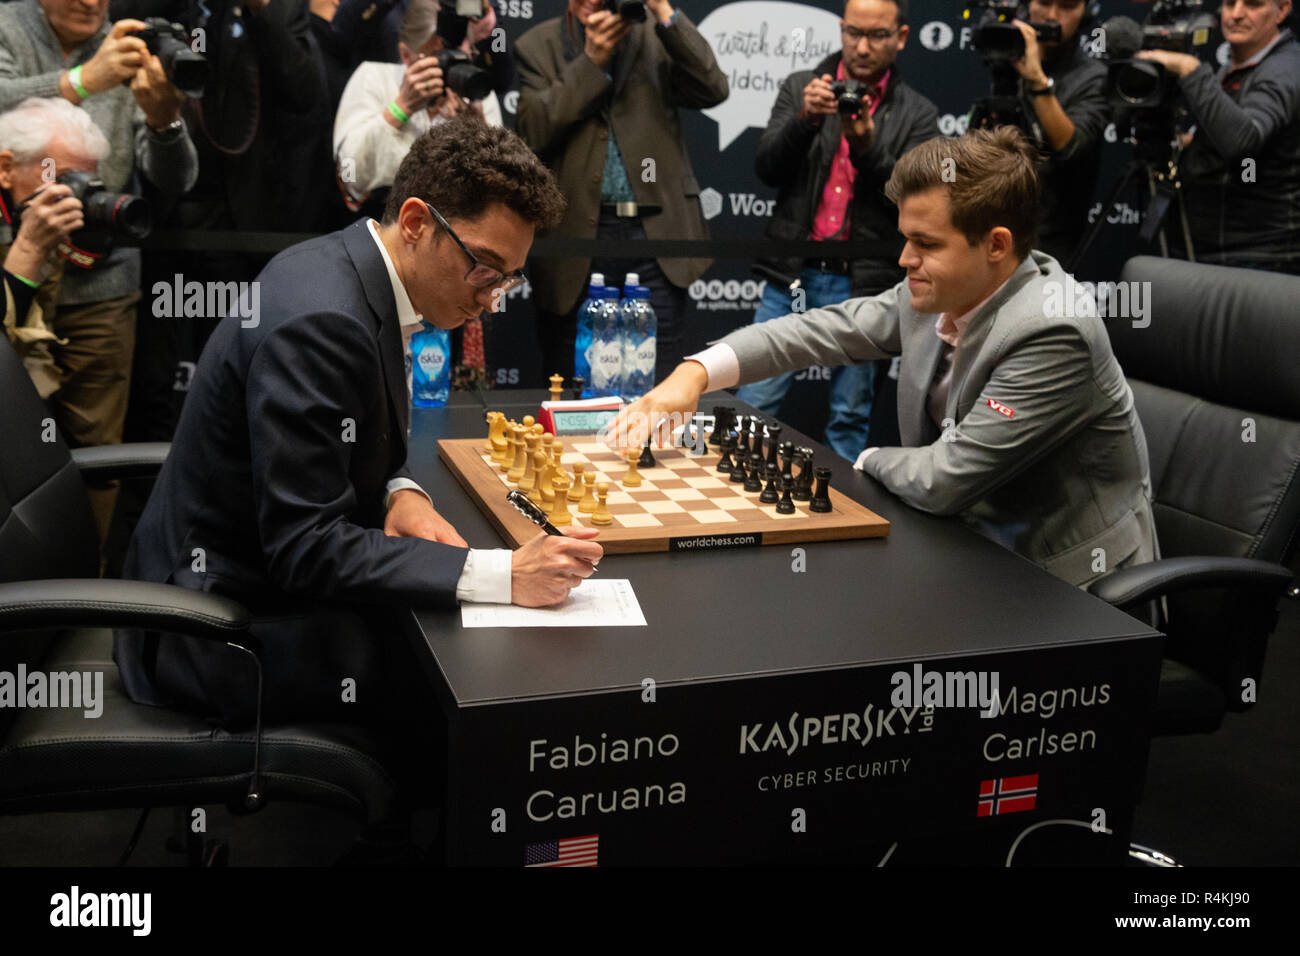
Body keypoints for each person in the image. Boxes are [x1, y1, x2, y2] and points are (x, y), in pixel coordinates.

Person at [114, 116, 603, 732]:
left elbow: (350, 440)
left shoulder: (354, 269)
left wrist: (399, 492)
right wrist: (505, 574)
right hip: (213, 631)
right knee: (464, 672)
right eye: (484, 266)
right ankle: (402, 824)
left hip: (243, 578)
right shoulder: (324, 321)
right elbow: (305, 549)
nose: (492, 297)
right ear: (418, 223)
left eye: (509, 277)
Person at [605, 127, 1158, 589]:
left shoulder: (1051, 329)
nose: (905, 259)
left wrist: (861, 465)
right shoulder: (933, 293)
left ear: (996, 244)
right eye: (905, 239)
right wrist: (694, 372)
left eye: (927, 244)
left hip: (1064, 586)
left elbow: (946, 479)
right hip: (962, 549)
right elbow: (818, 331)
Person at [0, 0, 199, 549]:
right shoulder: (8, 28)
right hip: (11, 266)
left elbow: (177, 180)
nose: (91, 1)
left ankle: (88, 593)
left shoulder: (127, 45)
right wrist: (83, 80)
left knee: (96, 450)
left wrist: (164, 121)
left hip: (103, 282)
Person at [736, 0, 938, 461]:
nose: (862, 46)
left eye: (878, 35)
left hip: (865, 282)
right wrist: (805, 121)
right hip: (794, 274)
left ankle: (843, 521)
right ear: (842, 30)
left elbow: (913, 202)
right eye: (853, 32)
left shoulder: (918, 113)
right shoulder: (801, 88)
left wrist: (866, 145)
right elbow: (767, 167)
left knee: (849, 419)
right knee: (753, 404)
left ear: (901, 37)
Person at [516, 0, 728, 386]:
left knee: (660, 378)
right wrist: (591, 61)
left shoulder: (658, 37)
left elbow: (712, 87)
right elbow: (532, 133)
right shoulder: (537, 45)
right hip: (576, 240)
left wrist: (663, 11)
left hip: (655, 237)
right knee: (573, 380)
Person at [1137, 0, 1300, 275]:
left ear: (1282, 10)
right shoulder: (1245, 63)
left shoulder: (1284, 69)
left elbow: (1243, 141)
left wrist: (1189, 69)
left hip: (1259, 259)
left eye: (1253, 4)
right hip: (1219, 252)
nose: (1236, 14)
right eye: (1228, 3)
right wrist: (1189, 144)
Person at [1001, 0, 1108, 263]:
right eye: (1044, 3)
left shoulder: (1093, 77)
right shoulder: (1005, 62)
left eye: (1066, 6)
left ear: (1086, 13)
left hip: (1051, 234)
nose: (1051, 16)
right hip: (993, 222)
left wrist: (1036, 80)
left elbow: (1070, 146)